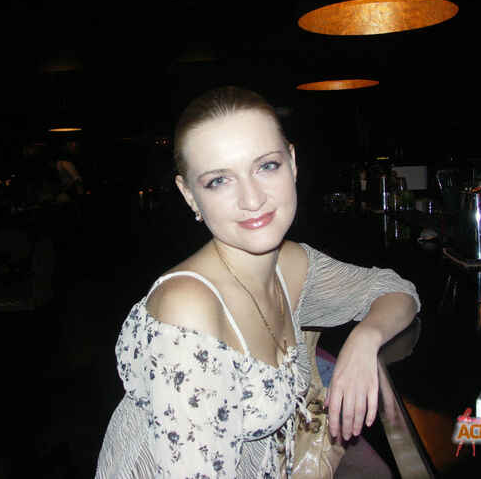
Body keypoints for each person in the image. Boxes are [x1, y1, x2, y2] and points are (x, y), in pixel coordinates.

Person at [94, 87, 420, 478]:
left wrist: (364, 339)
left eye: (266, 166)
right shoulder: (187, 309)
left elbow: (395, 290)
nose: (252, 199)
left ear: (292, 163)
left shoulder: (290, 265)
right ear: (189, 195)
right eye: (219, 180)